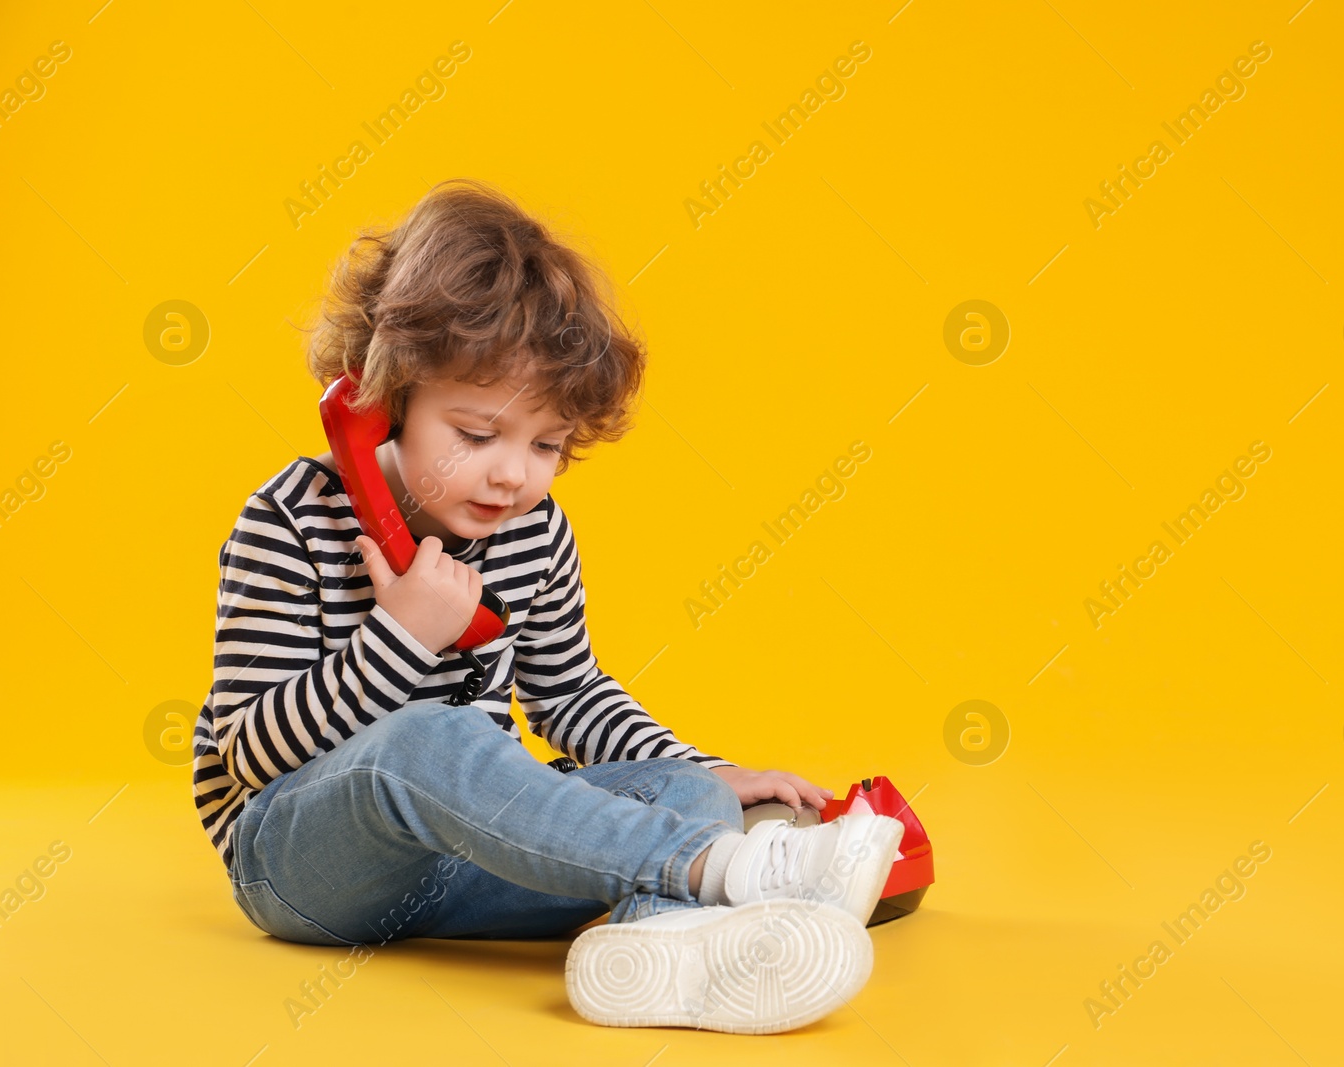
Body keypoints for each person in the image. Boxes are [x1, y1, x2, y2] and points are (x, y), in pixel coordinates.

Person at [190, 177, 905, 1035]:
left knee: (684, 789)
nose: (513, 475)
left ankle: (658, 954)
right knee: (427, 738)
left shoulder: (534, 531)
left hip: (473, 860)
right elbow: (248, 755)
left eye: (547, 445)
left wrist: (704, 768)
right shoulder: (290, 519)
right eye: (477, 433)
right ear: (383, 400)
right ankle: (733, 875)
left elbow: (569, 694)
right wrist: (402, 636)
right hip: (308, 867)